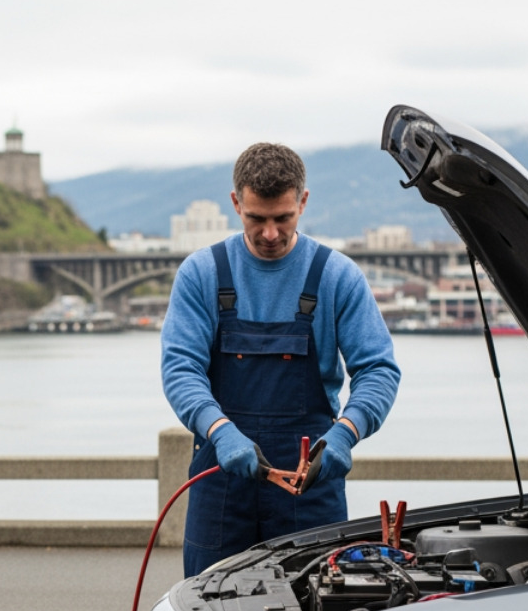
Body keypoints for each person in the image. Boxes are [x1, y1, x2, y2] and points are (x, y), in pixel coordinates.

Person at [161, 142, 399, 577]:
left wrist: (346, 432)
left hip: (309, 485)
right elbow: (181, 370)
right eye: (256, 219)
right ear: (236, 203)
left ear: (303, 202)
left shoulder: (337, 276)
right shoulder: (202, 274)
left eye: (282, 218)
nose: (270, 234)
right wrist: (220, 431)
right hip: (220, 476)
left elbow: (378, 370)